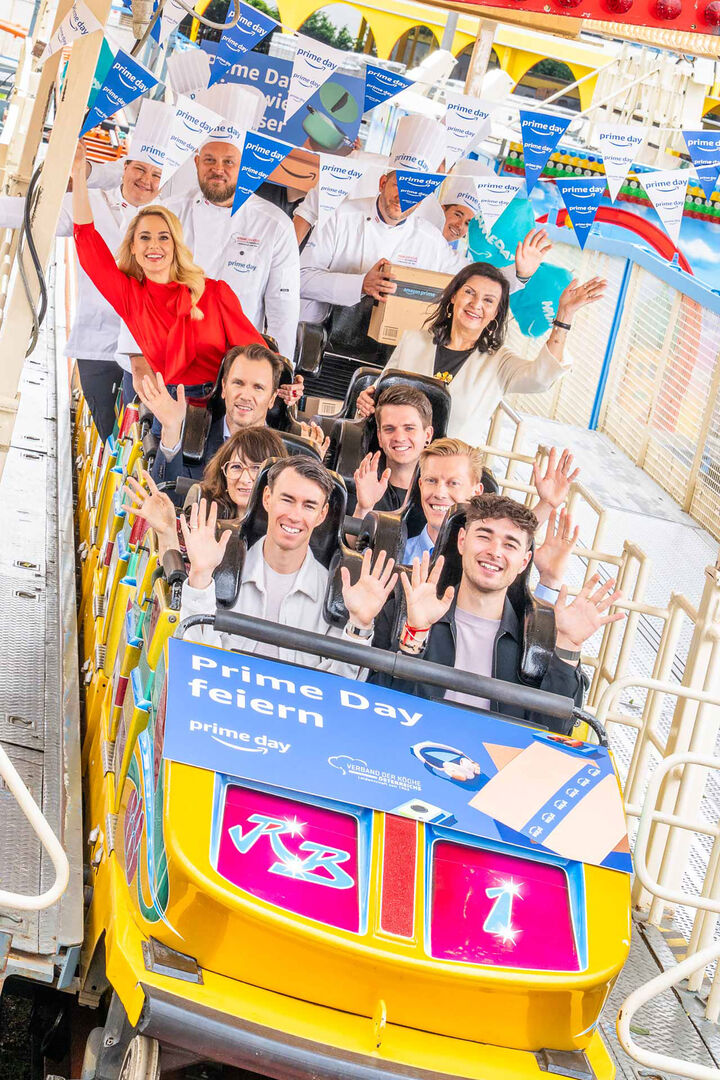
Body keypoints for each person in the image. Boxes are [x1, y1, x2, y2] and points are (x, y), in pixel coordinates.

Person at [373, 494, 624, 733]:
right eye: (484, 536)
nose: (495, 551)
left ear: (524, 562)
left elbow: (553, 732)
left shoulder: (537, 640)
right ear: (462, 541)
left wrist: (568, 646)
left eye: (510, 544)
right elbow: (377, 705)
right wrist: (415, 633)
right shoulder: (406, 608)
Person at [71, 142, 266, 400]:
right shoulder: (131, 297)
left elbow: (256, 355)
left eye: (163, 237)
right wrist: (77, 175)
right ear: (133, 247)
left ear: (176, 245)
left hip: (220, 408)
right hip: (165, 409)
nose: (154, 245)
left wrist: (284, 382)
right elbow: (86, 240)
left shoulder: (214, 293)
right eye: (144, 237)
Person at [178, 457, 398, 680]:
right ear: (267, 498)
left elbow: (339, 692)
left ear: (322, 514)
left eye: (309, 506)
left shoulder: (337, 593)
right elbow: (194, 660)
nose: (295, 516)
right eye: (287, 500)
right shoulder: (220, 566)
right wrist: (200, 576)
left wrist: (359, 624)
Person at [0, 139, 164, 440]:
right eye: (140, 169)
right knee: (111, 436)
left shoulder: (170, 218)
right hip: (96, 345)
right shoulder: (89, 203)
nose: (146, 180)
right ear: (123, 168)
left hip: (150, 352)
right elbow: (28, 214)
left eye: (156, 174)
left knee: (143, 438)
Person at [355, 262, 606, 445]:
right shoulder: (413, 341)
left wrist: (564, 317)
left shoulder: (499, 363)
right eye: (469, 293)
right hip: (392, 458)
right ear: (453, 296)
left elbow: (540, 378)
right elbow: (379, 393)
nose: (476, 305)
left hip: (448, 480)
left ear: (496, 312)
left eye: (488, 300)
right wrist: (368, 401)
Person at [404, 440, 580, 563]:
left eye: (454, 483)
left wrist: (547, 504)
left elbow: (514, 533)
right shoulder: (395, 553)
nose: (440, 493)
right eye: (431, 481)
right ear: (420, 485)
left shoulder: (488, 561)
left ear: (477, 491)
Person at [351, 384, 434, 518]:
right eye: (389, 429)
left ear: (428, 435)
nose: (399, 438)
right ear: (379, 437)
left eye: (409, 428)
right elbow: (349, 539)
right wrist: (363, 508)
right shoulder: (360, 484)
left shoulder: (439, 494)